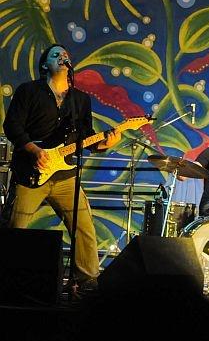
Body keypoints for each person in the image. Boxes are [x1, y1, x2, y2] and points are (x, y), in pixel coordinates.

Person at [3, 44, 121, 293]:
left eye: (65, 54)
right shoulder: (29, 91)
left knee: (84, 228)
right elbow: (12, 126)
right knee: (15, 227)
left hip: (66, 176)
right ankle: (6, 281)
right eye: (56, 55)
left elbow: (85, 138)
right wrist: (34, 151)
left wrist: (105, 143)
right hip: (31, 173)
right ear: (45, 65)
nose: (62, 57)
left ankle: (87, 282)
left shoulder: (80, 100)